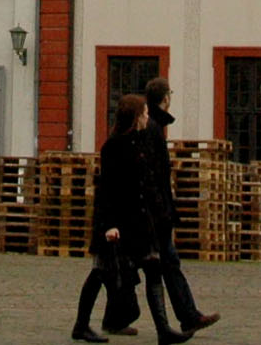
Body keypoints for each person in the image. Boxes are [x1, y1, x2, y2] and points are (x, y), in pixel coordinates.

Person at [72, 93, 188, 345]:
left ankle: (163, 330)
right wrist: (110, 225)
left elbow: (148, 184)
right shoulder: (113, 147)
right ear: (136, 118)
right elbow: (108, 189)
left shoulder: (140, 142)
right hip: (117, 224)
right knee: (100, 274)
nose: (148, 116)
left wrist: (159, 214)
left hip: (140, 223)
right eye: (145, 112)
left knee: (153, 269)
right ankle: (81, 325)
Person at [138, 78, 219, 334]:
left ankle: (185, 317)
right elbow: (152, 175)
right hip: (155, 211)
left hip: (155, 209)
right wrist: (161, 209)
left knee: (160, 265)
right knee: (159, 265)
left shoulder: (153, 126)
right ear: (166, 98)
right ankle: (186, 317)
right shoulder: (153, 129)